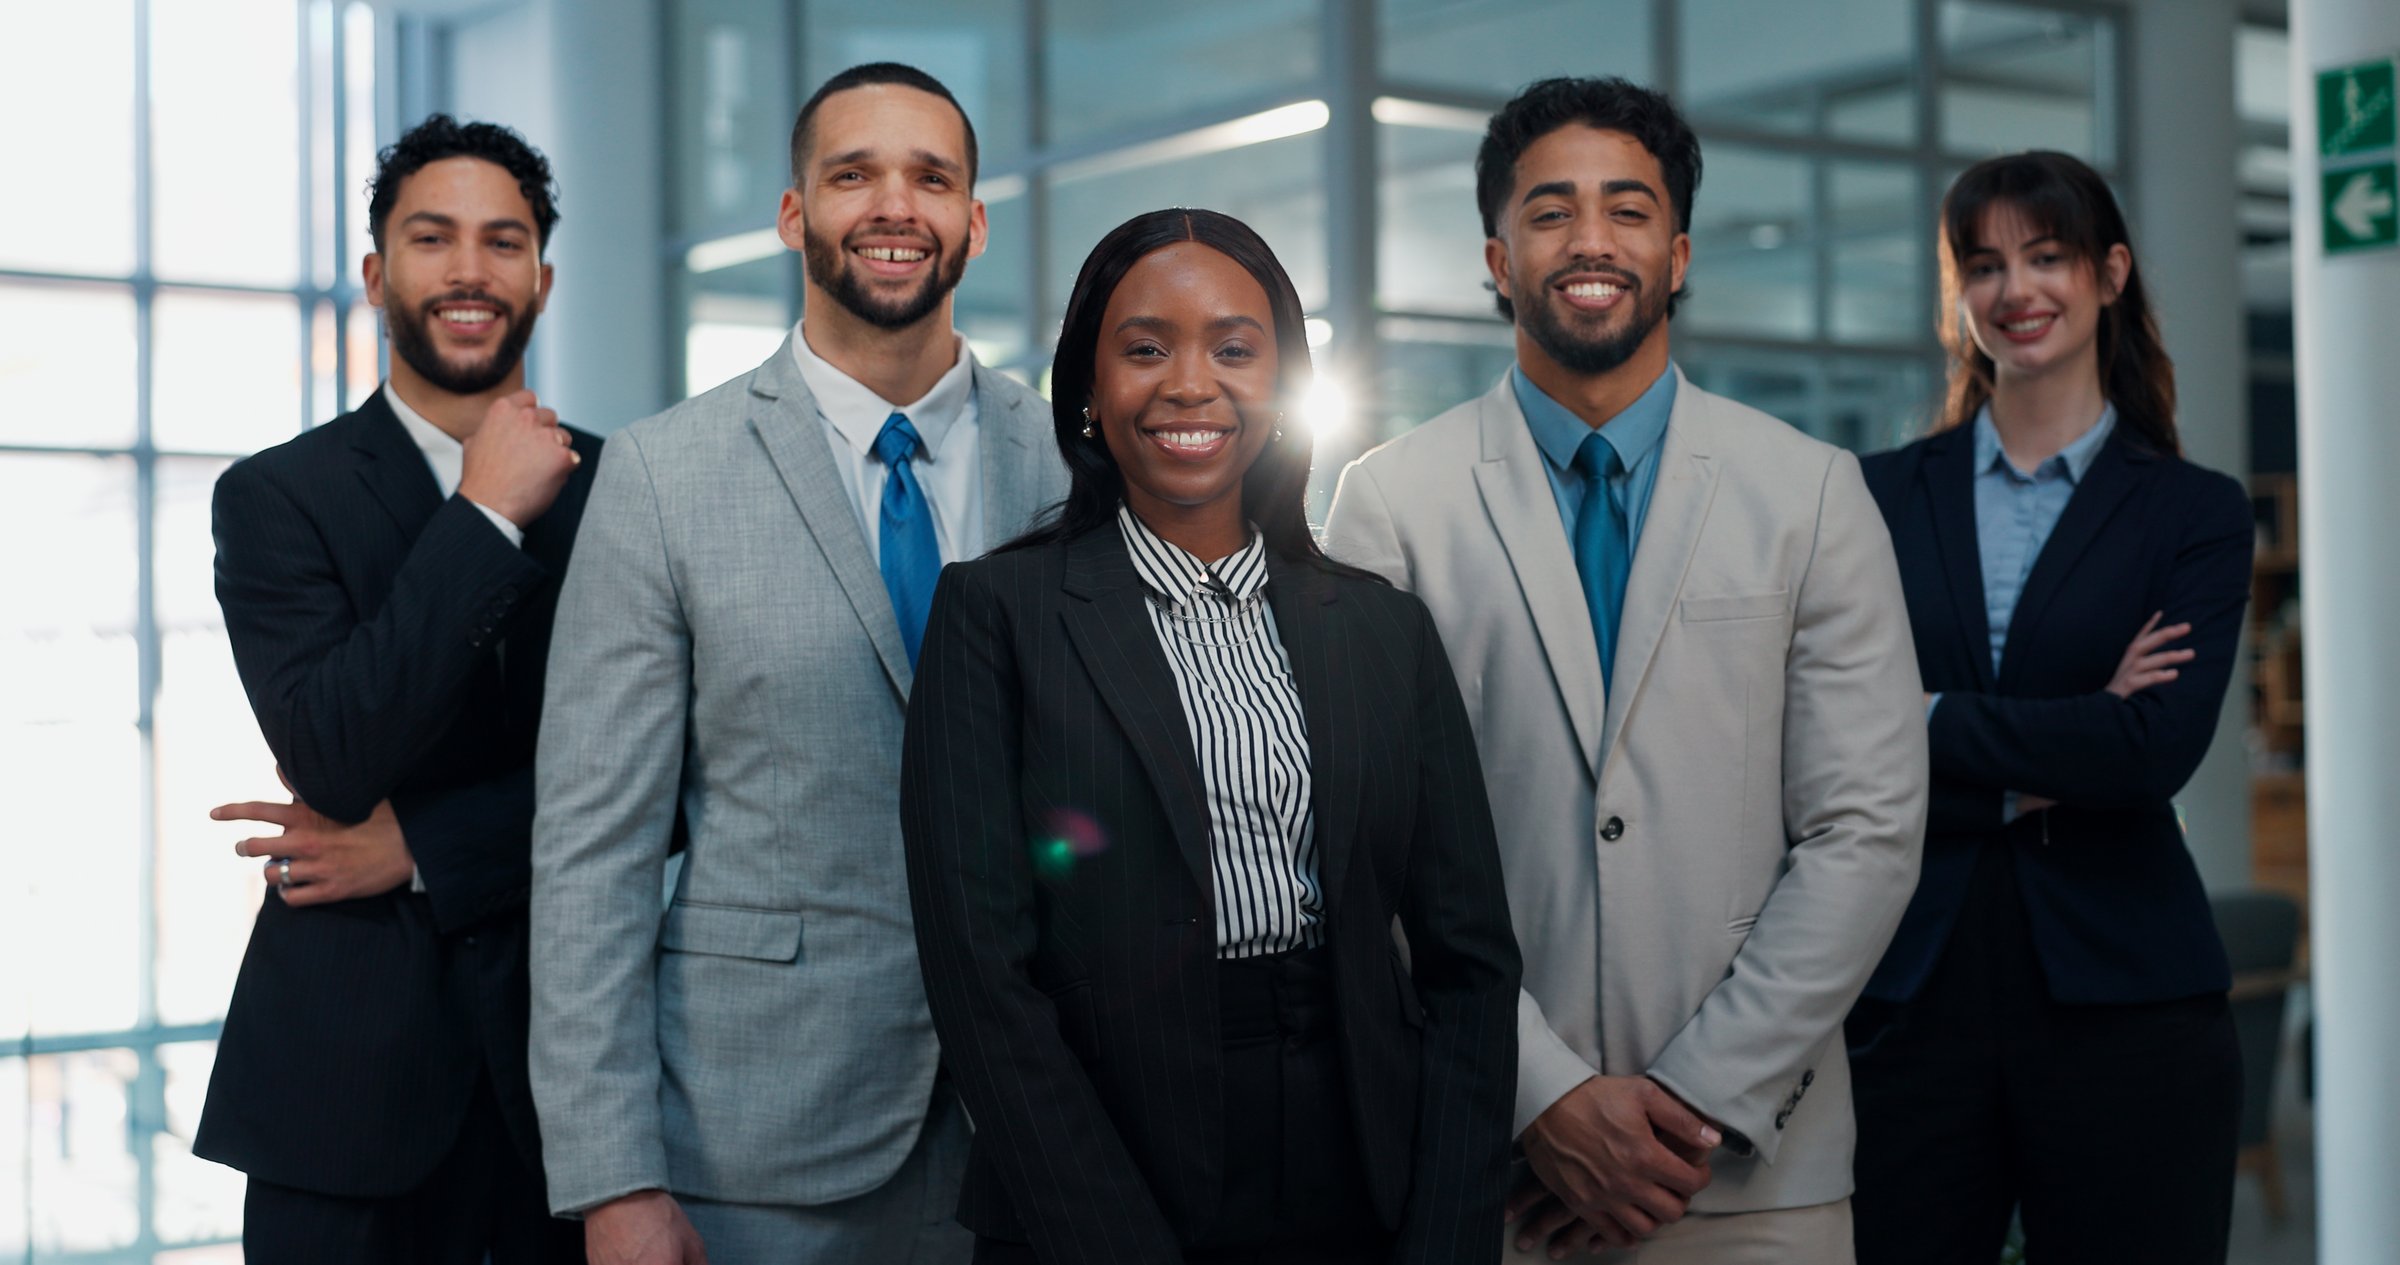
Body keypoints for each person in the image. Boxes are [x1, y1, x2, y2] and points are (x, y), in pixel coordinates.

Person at [1324, 76, 1928, 1262]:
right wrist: (1539, 1093)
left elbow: (1867, 829)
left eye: (1628, 209)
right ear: (1497, 257)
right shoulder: (1388, 504)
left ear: (1681, 252)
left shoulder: (1810, 491)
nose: (1590, 240)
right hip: (1492, 1171)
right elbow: (1360, 838)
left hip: (1756, 1176)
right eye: (1550, 211)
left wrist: (1693, 1102)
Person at [900, 207, 1522, 1265]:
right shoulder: (997, 615)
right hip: (1099, 1170)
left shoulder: (1380, 626)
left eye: (1236, 348)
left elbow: (1469, 961)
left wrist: (1449, 1226)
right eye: (1145, 348)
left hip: (1361, 1163)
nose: (1192, 383)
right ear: (1089, 389)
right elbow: (980, 978)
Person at [530, 62, 1066, 1265]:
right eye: (853, 174)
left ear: (974, 221)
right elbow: (591, 850)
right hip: (761, 1140)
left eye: (931, 178)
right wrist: (612, 1177)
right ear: (793, 214)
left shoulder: (1067, 462)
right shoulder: (664, 474)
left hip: (1044, 1120)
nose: (895, 206)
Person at [197, 114, 592, 1264]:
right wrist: (484, 515)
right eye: (432, 238)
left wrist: (419, 845)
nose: (470, 270)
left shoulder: (626, 491)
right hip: (341, 1094)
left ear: (542, 277)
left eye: (502, 241)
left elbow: (666, 776)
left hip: (569, 1085)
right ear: (377, 273)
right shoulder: (277, 497)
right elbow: (333, 750)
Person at [1845, 150, 2250, 1265]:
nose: (2015, 290)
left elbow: (2152, 746)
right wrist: (2061, 746)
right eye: (1985, 265)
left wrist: (1924, 719)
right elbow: (1828, 733)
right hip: (1908, 996)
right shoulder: (1873, 496)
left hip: (2131, 1004)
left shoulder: (2193, 513)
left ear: (2110, 273)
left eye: (2048, 256)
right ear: (1959, 295)